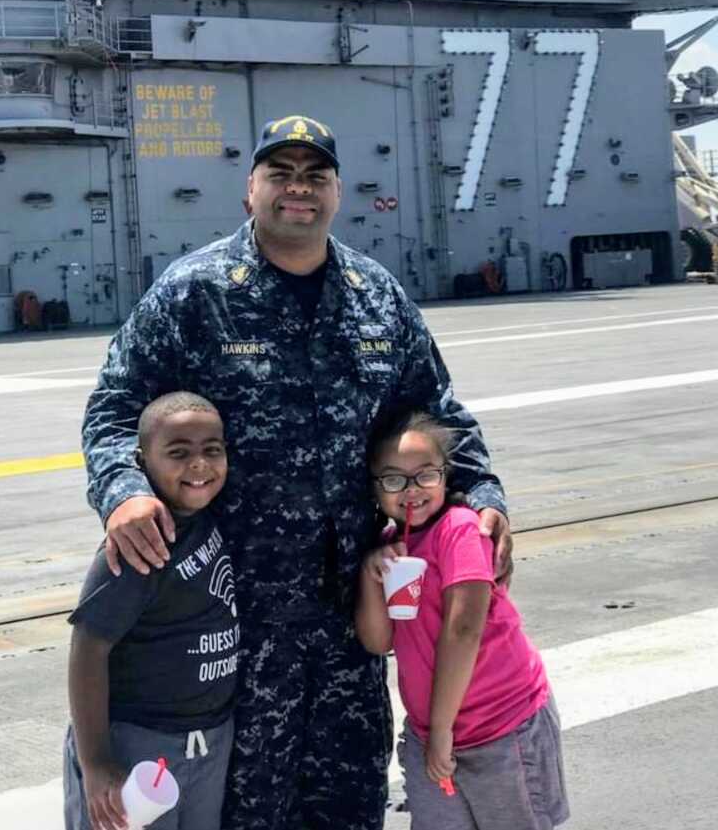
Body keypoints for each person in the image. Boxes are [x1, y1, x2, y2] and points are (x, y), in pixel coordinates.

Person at [81, 114, 512, 830]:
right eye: (280, 174)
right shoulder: (195, 292)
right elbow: (114, 408)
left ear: (337, 190)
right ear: (250, 190)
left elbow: (434, 407)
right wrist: (123, 491)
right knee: (244, 813)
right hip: (231, 631)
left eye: (315, 175)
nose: (298, 190)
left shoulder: (378, 296)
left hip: (354, 626)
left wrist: (485, 492)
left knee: (350, 810)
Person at [356, 407, 568, 830]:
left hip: (501, 729)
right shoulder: (392, 544)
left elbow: (465, 629)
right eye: (393, 479)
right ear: (375, 488)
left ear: (446, 476)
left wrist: (440, 732)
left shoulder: (460, 530)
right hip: (432, 734)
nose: (411, 490)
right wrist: (369, 572)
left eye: (426, 475)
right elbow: (379, 642)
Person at [65, 391, 239, 830]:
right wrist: (97, 762)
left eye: (212, 451)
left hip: (208, 744)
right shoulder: (139, 544)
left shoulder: (211, 519)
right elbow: (88, 647)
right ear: (142, 463)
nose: (199, 464)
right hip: (139, 746)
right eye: (178, 453)